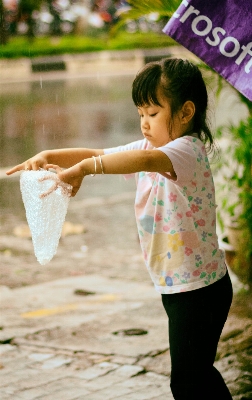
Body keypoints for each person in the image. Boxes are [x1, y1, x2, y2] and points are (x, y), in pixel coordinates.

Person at [7, 58, 233, 399]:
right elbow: (100, 151)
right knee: (195, 376)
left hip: (199, 290)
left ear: (186, 113)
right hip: (182, 286)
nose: (143, 123)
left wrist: (84, 169)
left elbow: (136, 162)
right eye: (140, 113)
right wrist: (51, 153)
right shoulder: (152, 146)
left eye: (153, 114)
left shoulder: (186, 150)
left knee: (188, 381)